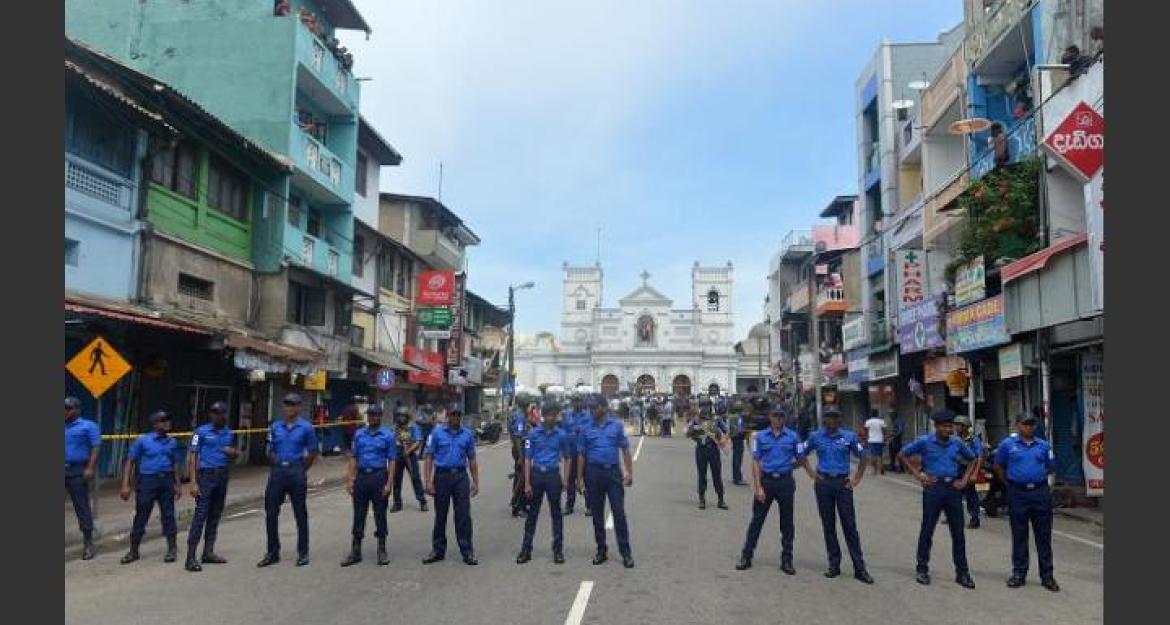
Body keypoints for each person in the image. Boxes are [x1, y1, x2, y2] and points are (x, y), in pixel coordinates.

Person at [899, 409, 978, 588]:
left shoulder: (957, 443)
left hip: (953, 490)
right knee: (927, 530)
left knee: (958, 532)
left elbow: (972, 459)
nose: (948, 430)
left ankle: (962, 573)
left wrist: (964, 480)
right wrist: (918, 475)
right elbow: (903, 454)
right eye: (944, 426)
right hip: (933, 488)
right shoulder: (925, 442)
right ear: (936, 427)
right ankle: (922, 569)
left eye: (950, 427)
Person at [799, 408, 874, 584]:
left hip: (843, 484)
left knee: (850, 526)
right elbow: (801, 453)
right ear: (823, 419)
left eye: (835, 417)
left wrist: (856, 480)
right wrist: (811, 473)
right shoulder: (815, 437)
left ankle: (860, 568)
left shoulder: (849, 437)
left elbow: (863, 457)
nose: (831, 421)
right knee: (828, 525)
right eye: (828, 417)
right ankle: (834, 564)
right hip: (823, 484)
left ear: (839, 420)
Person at [994, 413, 1060, 592]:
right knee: (1019, 535)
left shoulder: (1044, 446)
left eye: (1032, 424)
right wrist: (1009, 484)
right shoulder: (1007, 445)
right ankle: (1019, 573)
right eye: (1025, 424)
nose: (1029, 427)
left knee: (1043, 537)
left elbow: (1051, 466)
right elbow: (998, 465)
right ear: (1017, 425)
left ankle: (1047, 576)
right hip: (1017, 494)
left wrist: (1036, 478)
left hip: (1039, 493)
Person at [736, 405, 803, 574]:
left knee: (787, 523)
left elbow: (801, 459)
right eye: (775, 415)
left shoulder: (793, 436)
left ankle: (787, 559)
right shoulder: (760, 437)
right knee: (757, 521)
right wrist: (758, 487)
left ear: (784, 417)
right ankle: (746, 556)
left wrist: (786, 467)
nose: (778, 419)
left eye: (781, 416)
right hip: (766, 482)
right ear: (770, 417)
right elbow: (756, 462)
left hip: (785, 482)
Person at [258, 393, 319, 567]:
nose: (289, 408)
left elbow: (313, 451)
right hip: (277, 473)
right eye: (286, 404)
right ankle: (272, 551)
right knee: (270, 512)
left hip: (296, 471)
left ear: (299, 407)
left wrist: (301, 468)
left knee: (300, 513)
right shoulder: (275, 427)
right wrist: (276, 462)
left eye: (293, 404)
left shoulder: (306, 428)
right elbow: (269, 449)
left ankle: (303, 552)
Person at [577, 394, 635, 568]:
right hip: (593, 473)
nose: (592, 411)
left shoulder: (616, 426)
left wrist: (629, 473)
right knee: (597, 515)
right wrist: (579, 479)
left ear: (604, 407)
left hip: (613, 474)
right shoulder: (586, 428)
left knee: (618, 512)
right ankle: (601, 549)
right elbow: (581, 454)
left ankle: (626, 553)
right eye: (590, 408)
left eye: (595, 407)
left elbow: (625, 449)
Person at [119, 410, 182, 564]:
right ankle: (133, 551)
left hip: (166, 481)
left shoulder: (172, 442)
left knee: (168, 515)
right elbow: (130, 462)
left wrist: (177, 484)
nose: (167, 423)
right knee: (141, 515)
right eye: (163, 420)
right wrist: (125, 484)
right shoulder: (143, 441)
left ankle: (172, 549)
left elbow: (175, 464)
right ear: (155, 424)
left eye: (168, 420)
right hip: (147, 481)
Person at [422, 404, 481, 565]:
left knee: (463, 516)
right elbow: (428, 457)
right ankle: (438, 550)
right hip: (441, 477)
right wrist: (427, 481)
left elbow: (472, 459)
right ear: (448, 415)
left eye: (458, 414)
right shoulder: (437, 433)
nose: (455, 417)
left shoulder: (467, 435)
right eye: (452, 414)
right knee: (440, 515)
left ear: (460, 416)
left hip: (460, 477)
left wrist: (475, 482)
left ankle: (467, 551)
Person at [184, 401, 238, 572]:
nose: (217, 415)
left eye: (220, 413)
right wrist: (193, 482)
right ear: (211, 414)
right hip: (206, 477)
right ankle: (190, 557)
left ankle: (208, 552)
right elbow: (192, 457)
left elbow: (235, 454)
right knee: (200, 516)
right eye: (214, 412)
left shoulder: (229, 433)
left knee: (215, 515)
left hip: (222, 475)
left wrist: (234, 453)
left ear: (225, 415)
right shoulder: (200, 432)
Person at [517, 399, 572, 564]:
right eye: (547, 415)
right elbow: (527, 459)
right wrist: (527, 483)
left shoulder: (561, 435)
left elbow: (568, 458)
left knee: (556, 513)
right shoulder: (533, 434)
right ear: (543, 415)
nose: (550, 418)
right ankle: (526, 550)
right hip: (537, 476)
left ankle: (558, 550)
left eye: (553, 415)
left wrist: (566, 480)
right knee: (532, 513)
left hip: (553, 475)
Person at [341, 405, 397, 567]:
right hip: (362, 477)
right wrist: (350, 479)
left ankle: (382, 549)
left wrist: (389, 483)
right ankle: (355, 551)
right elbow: (353, 457)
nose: (372, 417)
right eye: (370, 415)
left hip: (379, 476)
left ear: (380, 416)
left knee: (380, 514)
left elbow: (392, 460)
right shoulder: (359, 434)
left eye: (375, 415)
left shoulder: (387, 436)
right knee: (359, 514)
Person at [65, 396, 101, 560]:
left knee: (81, 506)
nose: (65, 411)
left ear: (77, 410)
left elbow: (95, 448)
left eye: (68, 408)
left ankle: (88, 542)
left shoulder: (89, 426)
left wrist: (90, 468)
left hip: (78, 470)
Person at [687, 405, 729, 510]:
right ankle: (702, 499)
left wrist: (723, 439)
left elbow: (727, 430)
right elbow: (688, 433)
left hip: (714, 449)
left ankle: (721, 499)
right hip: (701, 449)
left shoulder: (717, 419)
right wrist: (695, 428)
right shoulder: (696, 420)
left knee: (717, 475)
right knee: (702, 475)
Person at [389, 406, 428, 513]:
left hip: (410, 456)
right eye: (399, 416)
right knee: (396, 480)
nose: (401, 418)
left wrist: (408, 451)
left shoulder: (413, 427)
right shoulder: (394, 428)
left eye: (403, 416)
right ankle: (397, 503)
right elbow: (390, 441)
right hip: (397, 456)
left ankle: (422, 501)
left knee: (415, 478)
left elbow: (418, 442)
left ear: (407, 417)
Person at [954, 416, 985, 529]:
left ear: (966, 427)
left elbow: (979, 457)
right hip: (957, 469)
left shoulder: (973, 440)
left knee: (970, 495)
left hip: (968, 468)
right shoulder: (955, 439)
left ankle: (974, 518)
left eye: (959, 425)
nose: (957, 427)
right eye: (956, 425)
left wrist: (975, 473)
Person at [560, 396, 585, 515]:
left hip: (584, 453)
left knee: (586, 478)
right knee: (570, 479)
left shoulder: (587, 417)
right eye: (575, 401)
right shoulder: (567, 416)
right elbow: (562, 431)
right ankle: (569, 505)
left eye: (579, 401)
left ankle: (589, 505)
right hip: (570, 452)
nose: (577, 404)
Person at [508, 403, 532, 517]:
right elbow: (518, 437)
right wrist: (521, 456)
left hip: (523, 448)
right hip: (520, 449)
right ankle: (517, 505)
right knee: (521, 478)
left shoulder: (521, 415)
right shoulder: (520, 417)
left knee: (521, 477)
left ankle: (520, 504)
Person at [729, 401, 748, 486]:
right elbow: (739, 429)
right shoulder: (738, 417)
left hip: (734, 438)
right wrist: (745, 431)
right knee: (738, 458)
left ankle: (735, 477)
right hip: (738, 438)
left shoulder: (732, 416)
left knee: (735, 458)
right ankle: (738, 478)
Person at [863, 411, 887, 475]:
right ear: (877, 414)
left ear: (871, 414)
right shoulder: (881, 421)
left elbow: (866, 431)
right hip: (879, 440)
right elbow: (884, 431)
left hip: (871, 440)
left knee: (873, 455)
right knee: (879, 455)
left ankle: (875, 470)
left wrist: (865, 440)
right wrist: (885, 439)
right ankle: (881, 467)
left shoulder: (868, 422)